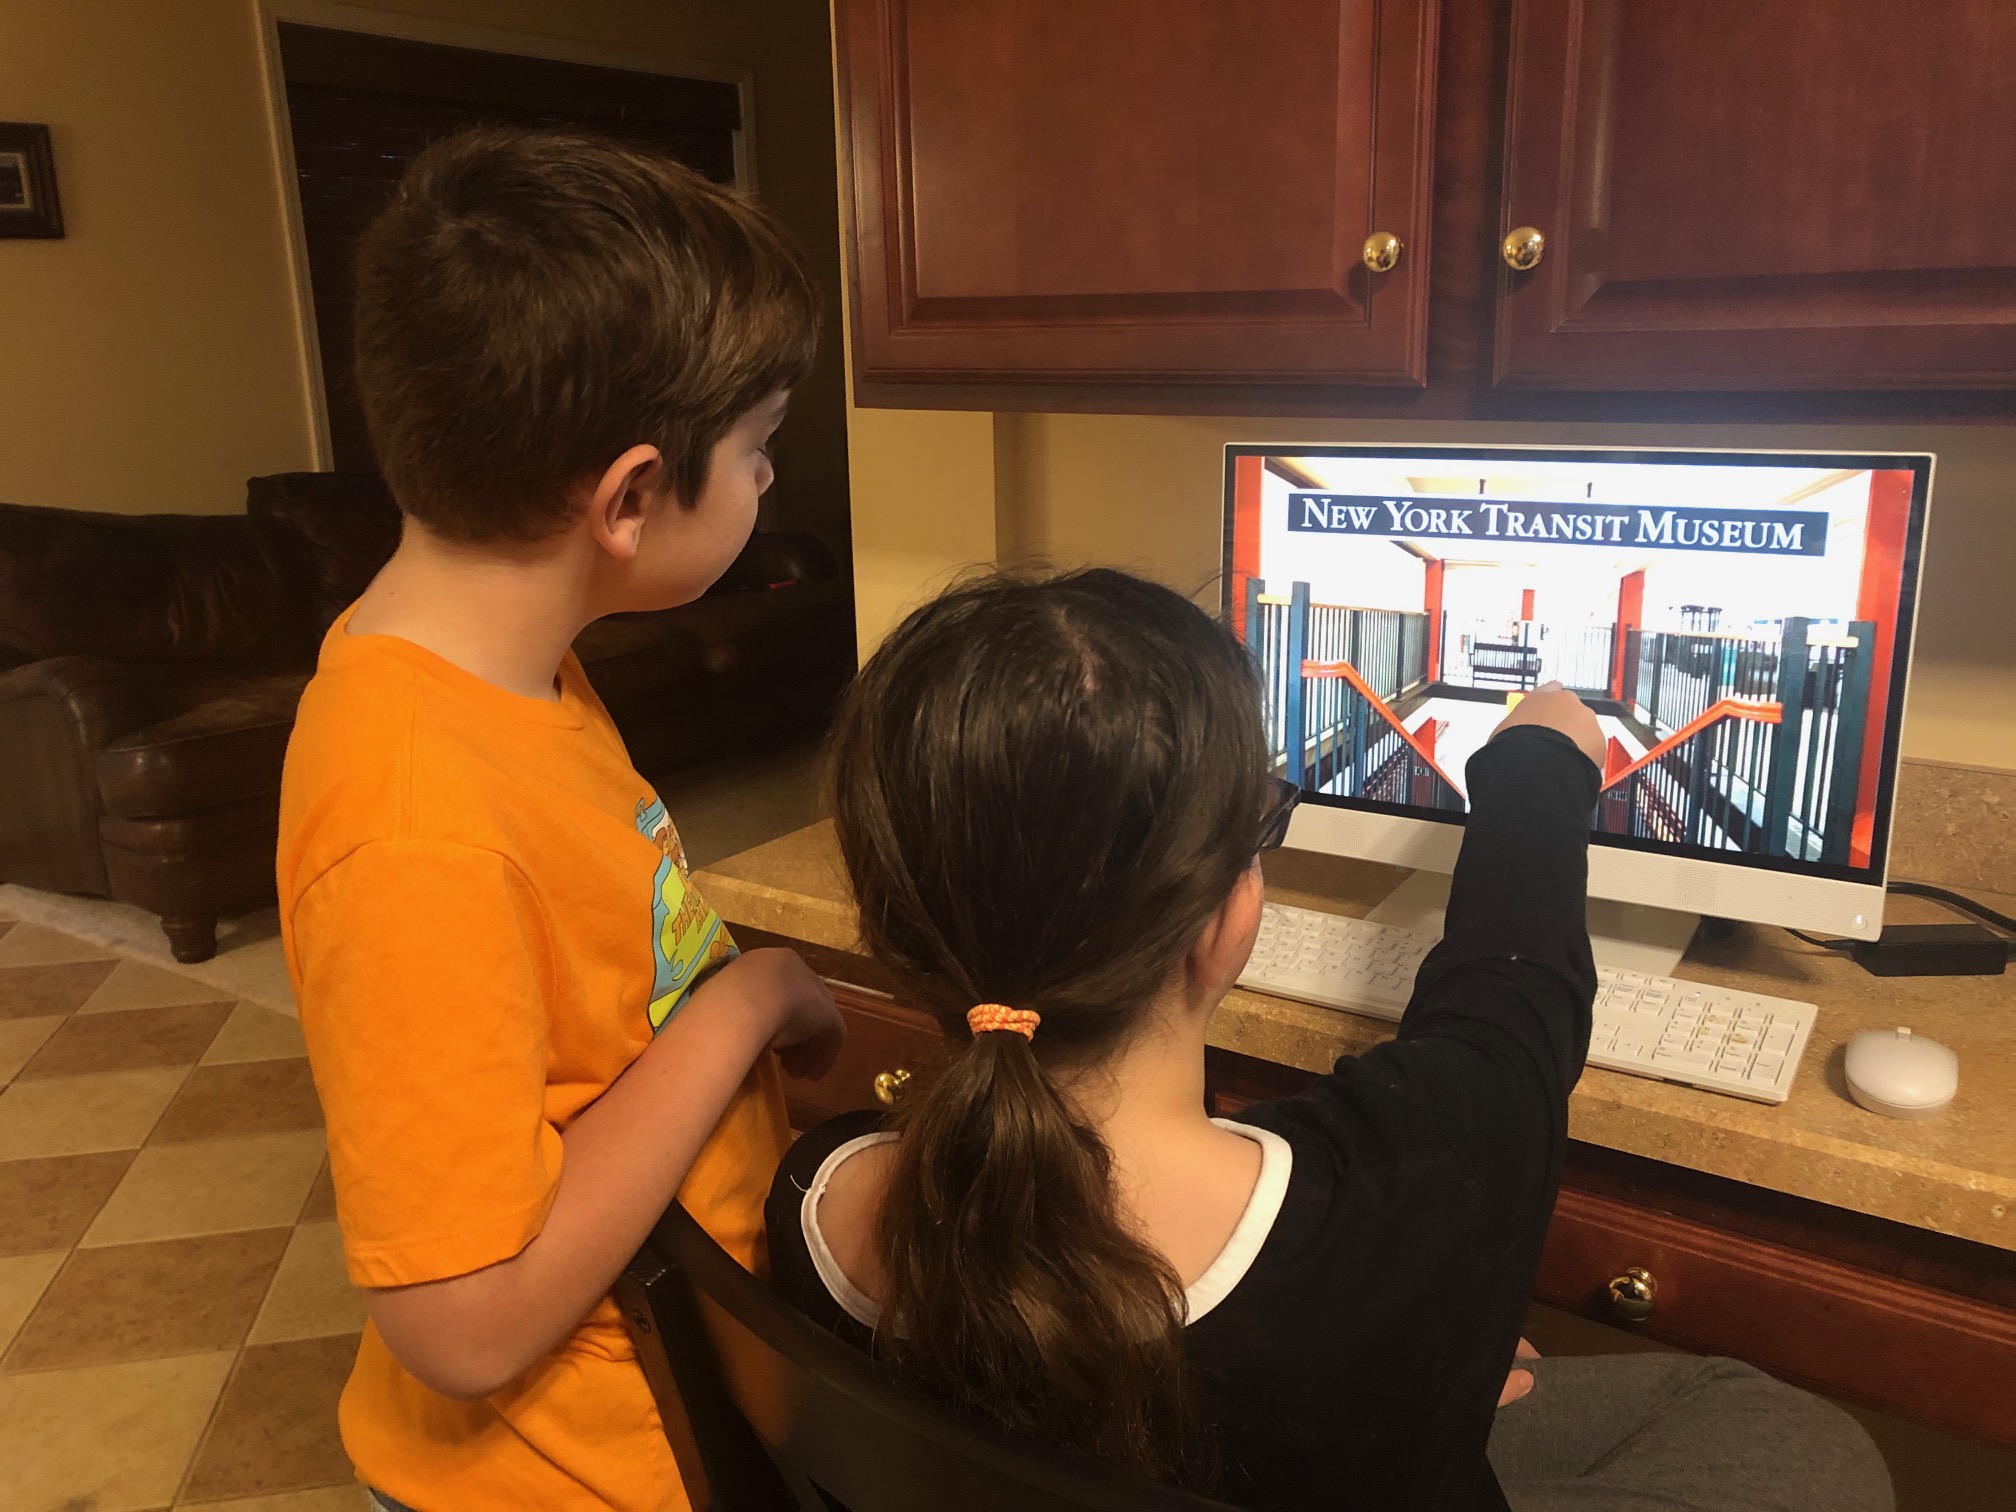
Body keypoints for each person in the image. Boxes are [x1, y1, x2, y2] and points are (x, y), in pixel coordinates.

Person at [765, 569, 1890, 1512]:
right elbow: (1517, 980)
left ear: (891, 918)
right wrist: (1543, 757)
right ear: (1226, 916)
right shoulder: (1417, 1194)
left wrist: (1423, 1335)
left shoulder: (816, 1196)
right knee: (1800, 1440)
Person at [278, 127, 845, 1512]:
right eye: (763, 449)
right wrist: (751, 999)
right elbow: (459, 1324)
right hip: (561, 1477)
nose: (771, 482)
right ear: (632, 498)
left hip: (670, 1396)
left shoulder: (510, 669)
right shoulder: (414, 820)